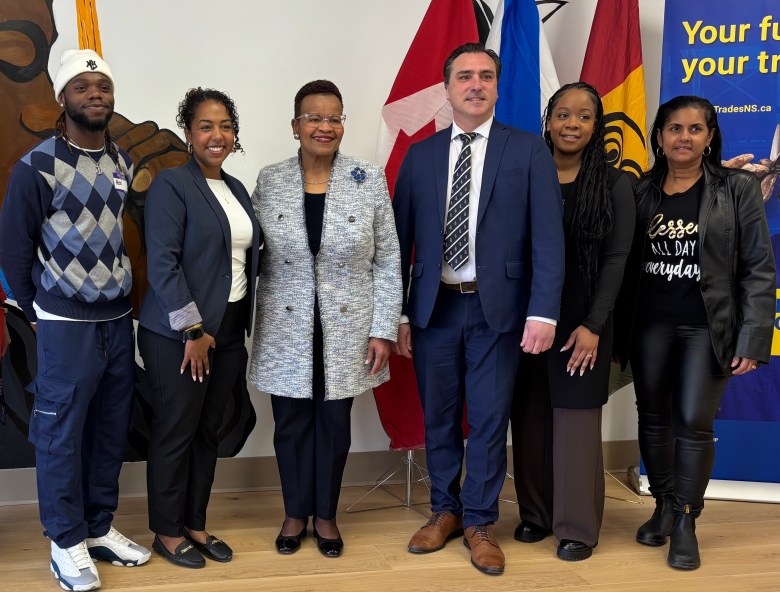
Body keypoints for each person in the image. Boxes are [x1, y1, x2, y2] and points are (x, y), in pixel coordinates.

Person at [393, 43, 565, 575]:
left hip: (501, 312)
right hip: (434, 310)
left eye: (485, 76)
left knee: (489, 421)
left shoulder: (528, 150)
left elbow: (548, 238)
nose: (475, 85)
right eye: (464, 76)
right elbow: (398, 245)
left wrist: (544, 313)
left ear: (496, 87)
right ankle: (443, 511)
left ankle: (479, 521)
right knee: (439, 417)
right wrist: (398, 314)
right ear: (446, 88)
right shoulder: (419, 157)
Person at [0, 49, 150, 591]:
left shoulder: (121, 162)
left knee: (110, 429)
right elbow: (13, 250)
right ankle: (66, 543)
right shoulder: (37, 165)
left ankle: (98, 527)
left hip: (116, 318)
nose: (95, 95)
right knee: (61, 433)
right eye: (83, 87)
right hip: (64, 323)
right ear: (62, 98)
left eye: (103, 86)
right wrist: (37, 311)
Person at [617, 95, 775, 570]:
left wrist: (752, 338)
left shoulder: (737, 188)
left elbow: (758, 268)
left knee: (692, 422)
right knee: (653, 419)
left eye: (694, 129)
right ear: (659, 136)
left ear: (709, 137)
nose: (683, 137)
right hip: (649, 326)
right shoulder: (639, 190)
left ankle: (687, 519)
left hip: (707, 328)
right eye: (673, 128)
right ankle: (663, 505)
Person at [249, 79, 401, 559]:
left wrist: (382, 327)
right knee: (290, 422)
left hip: (347, 327)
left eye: (334, 117)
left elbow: (388, 260)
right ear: (295, 126)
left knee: (334, 423)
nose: (324, 126)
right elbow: (251, 253)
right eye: (314, 117)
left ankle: (327, 514)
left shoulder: (368, 177)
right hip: (285, 325)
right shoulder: (269, 179)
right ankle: (296, 512)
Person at [510, 82, 635, 562]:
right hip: (526, 319)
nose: (572, 124)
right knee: (530, 418)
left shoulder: (614, 183)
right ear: (548, 120)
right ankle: (536, 516)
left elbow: (616, 259)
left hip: (585, 322)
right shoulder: (524, 173)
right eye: (563, 114)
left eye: (584, 116)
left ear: (596, 124)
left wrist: (594, 324)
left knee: (576, 423)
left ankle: (577, 525)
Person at [138, 88, 261, 568]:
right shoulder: (173, 184)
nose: (218, 135)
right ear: (189, 133)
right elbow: (163, 264)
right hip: (180, 335)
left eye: (226, 125)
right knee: (177, 429)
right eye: (206, 126)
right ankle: (166, 532)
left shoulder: (235, 188)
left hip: (228, 331)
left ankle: (195, 522)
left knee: (209, 429)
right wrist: (192, 330)